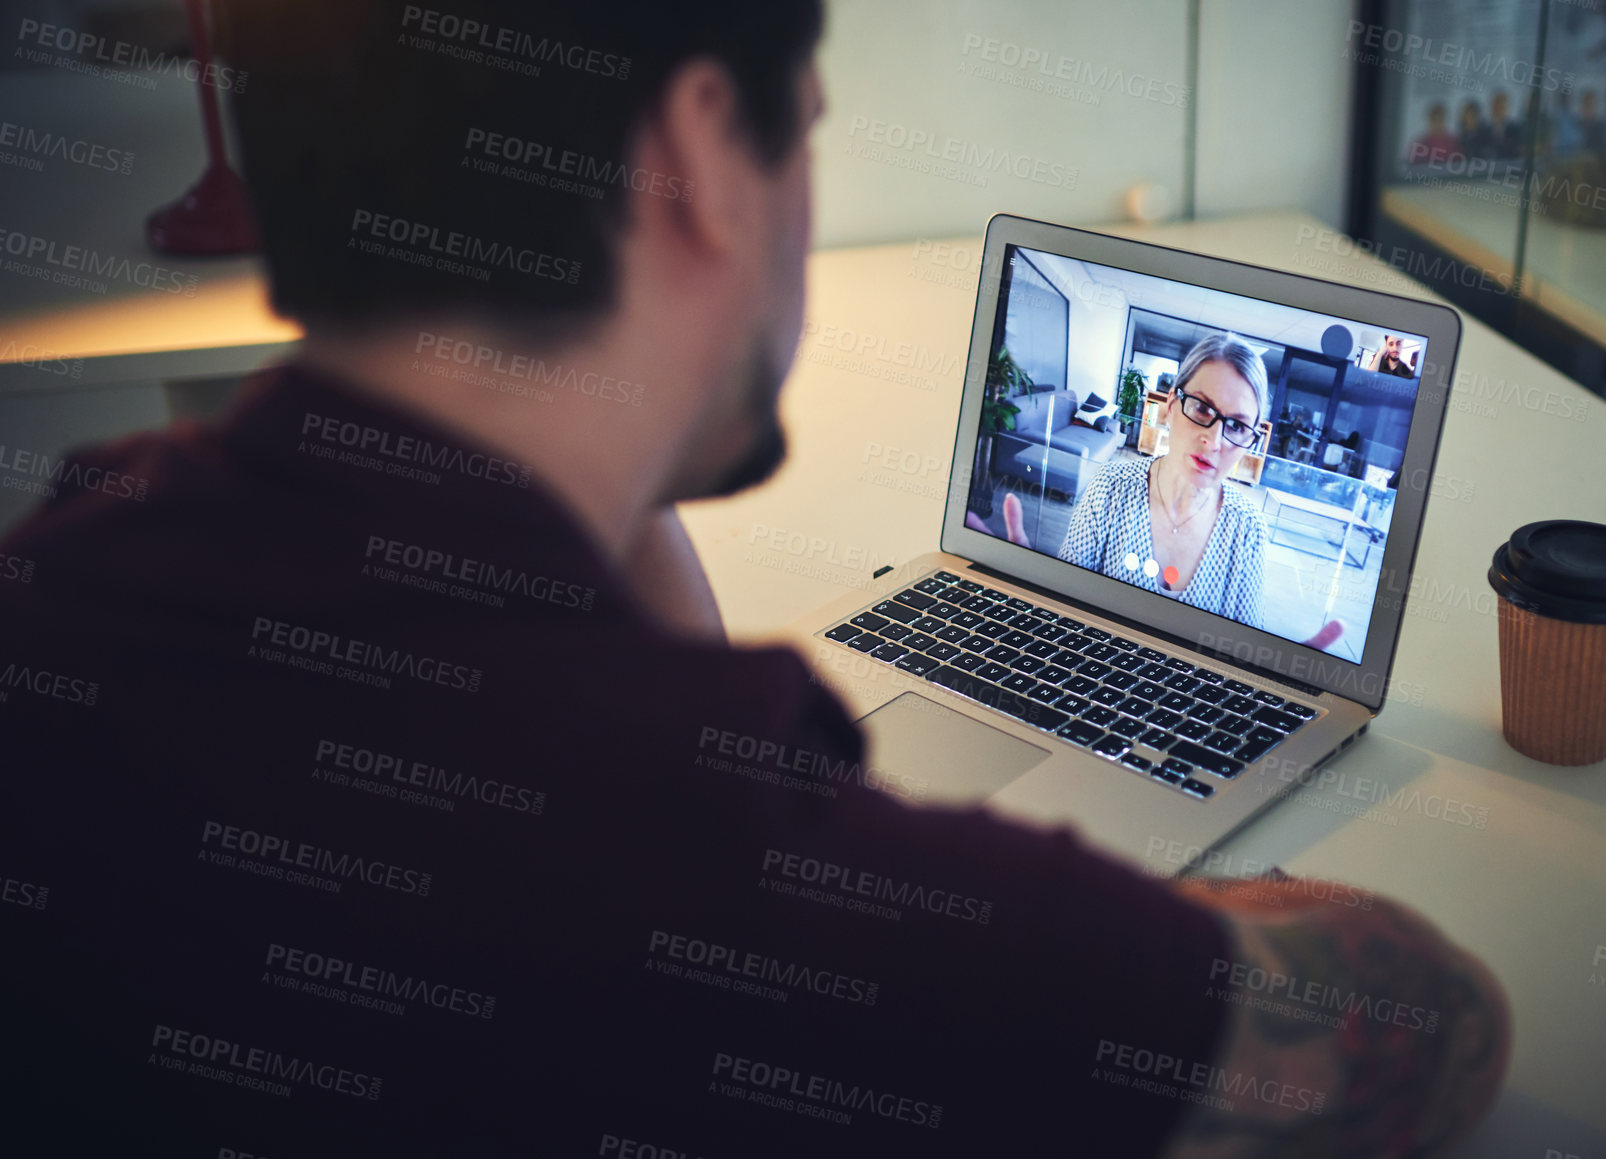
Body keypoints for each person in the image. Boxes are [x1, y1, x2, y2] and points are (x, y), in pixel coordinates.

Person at [0, 2, 1510, 1156]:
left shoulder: (72, 558)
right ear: (710, 155)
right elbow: (1431, 1023)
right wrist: (1142, 914)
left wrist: (617, 490)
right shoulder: (755, 888)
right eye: (806, 135)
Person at [977, 336, 1345, 653]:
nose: (1214, 441)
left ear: (1250, 440)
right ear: (1171, 406)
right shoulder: (1110, 488)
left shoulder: (1247, 530)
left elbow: (1240, 659)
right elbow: (1066, 615)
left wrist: (1269, 680)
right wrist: (1033, 597)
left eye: (1236, 425)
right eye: (1202, 407)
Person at [1407, 101, 1461, 166]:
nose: (1437, 123)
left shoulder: (1454, 143)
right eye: (1434, 119)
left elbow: (1459, 164)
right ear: (1429, 121)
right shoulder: (1420, 145)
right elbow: (1413, 168)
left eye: (1440, 119)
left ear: (1444, 120)